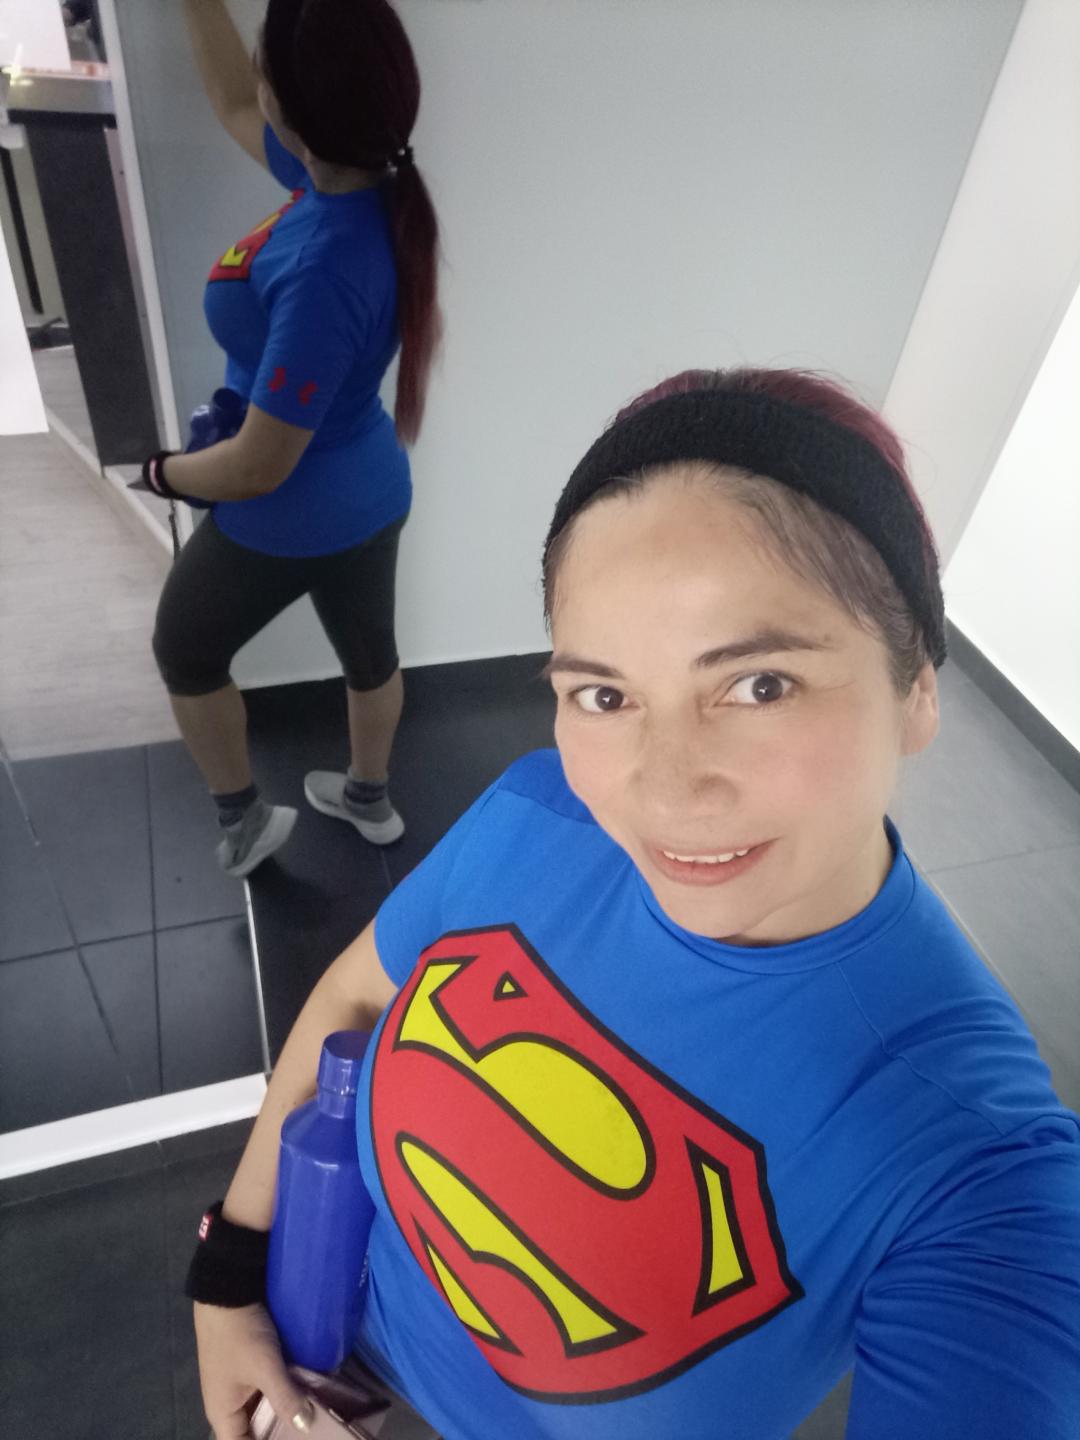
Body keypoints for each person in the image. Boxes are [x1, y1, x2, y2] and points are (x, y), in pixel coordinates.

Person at [186, 368, 1080, 1439]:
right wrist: (230, 1275)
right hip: (323, 1336)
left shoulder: (977, 1164)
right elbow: (354, 996)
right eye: (604, 695)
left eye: (759, 684)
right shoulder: (539, 811)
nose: (661, 789)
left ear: (918, 689)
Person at [147, 0, 441, 877]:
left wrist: (163, 473)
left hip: (285, 512)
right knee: (370, 656)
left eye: (268, 68)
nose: (257, 82)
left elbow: (257, 466)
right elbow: (235, 100)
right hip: (371, 491)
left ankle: (244, 825)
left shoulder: (326, 264)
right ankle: (368, 798)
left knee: (185, 649)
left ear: (301, 111)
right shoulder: (352, 180)